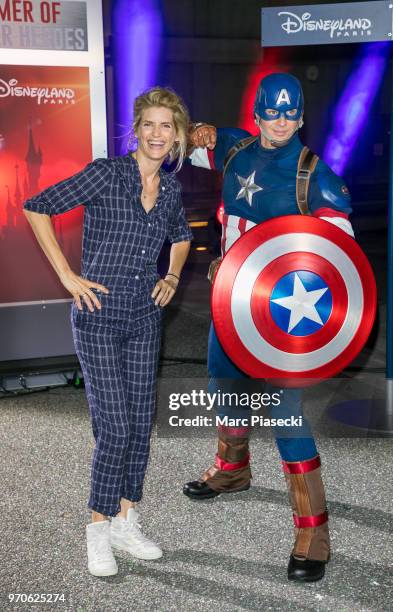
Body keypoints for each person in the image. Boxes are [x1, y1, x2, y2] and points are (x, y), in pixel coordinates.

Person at [183, 73, 354, 582]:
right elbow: (175, 147)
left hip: (284, 317)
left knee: (287, 416)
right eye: (270, 112)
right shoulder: (234, 149)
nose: (280, 121)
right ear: (256, 114)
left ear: (301, 116)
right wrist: (196, 133)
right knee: (224, 386)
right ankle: (233, 470)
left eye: (289, 112)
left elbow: (337, 260)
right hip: (228, 304)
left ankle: (313, 528)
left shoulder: (317, 176)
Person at [23, 87, 193, 577]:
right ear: (136, 129)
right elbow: (38, 205)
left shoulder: (172, 190)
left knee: (141, 424)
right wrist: (67, 276)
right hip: (97, 315)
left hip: (145, 317)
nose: (158, 134)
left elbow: (181, 236)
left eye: (168, 126)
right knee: (114, 427)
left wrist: (173, 276)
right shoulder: (106, 173)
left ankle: (126, 520)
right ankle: (97, 531)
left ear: (177, 136)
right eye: (150, 125)